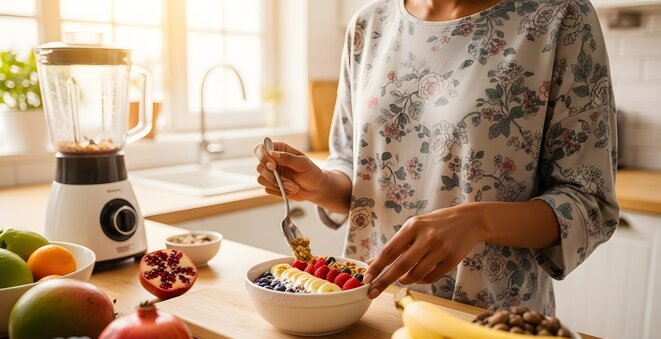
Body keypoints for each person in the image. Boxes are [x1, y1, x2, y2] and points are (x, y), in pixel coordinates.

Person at [254, 0, 619, 315]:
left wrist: (479, 221)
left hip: (489, 321)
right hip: (367, 308)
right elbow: (353, 164)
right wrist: (320, 184)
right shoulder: (369, 25)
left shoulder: (560, 17)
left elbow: (589, 204)